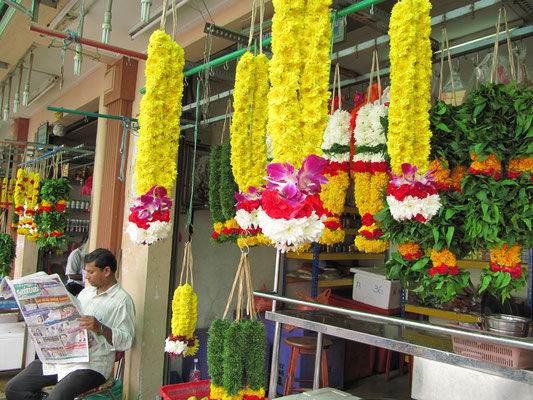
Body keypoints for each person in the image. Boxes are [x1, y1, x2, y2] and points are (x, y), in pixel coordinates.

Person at [6, 248, 136, 400]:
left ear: (106, 271)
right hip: (64, 358)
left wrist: (100, 328)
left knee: (56, 398)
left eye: (91, 272)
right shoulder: (86, 293)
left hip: (92, 365)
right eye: (86, 271)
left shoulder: (122, 300)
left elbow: (127, 340)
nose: (86, 277)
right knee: (14, 388)